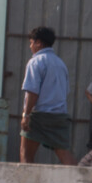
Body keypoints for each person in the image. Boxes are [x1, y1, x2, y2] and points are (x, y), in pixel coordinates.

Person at [19, 26, 75, 165]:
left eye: (31, 42)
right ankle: (79, 182)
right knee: (63, 152)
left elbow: (32, 92)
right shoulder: (60, 64)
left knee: (25, 153)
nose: (30, 46)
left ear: (39, 42)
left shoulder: (35, 62)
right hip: (59, 115)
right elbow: (65, 91)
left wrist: (26, 115)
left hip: (39, 115)